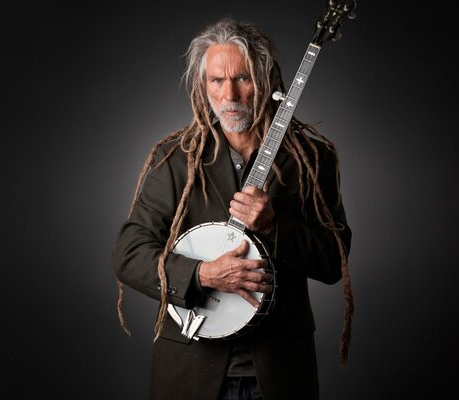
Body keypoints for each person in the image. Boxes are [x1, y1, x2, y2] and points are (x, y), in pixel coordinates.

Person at [112, 17, 353, 400]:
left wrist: (276, 227)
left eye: (243, 79)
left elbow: (331, 260)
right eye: (217, 81)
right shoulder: (176, 158)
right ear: (202, 86)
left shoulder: (311, 157)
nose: (230, 96)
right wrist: (203, 275)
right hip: (190, 370)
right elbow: (129, 254)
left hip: (279, 370)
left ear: (266, 80)